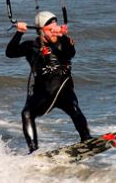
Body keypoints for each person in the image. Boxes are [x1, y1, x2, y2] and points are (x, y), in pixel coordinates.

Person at [5, 10, 92, 153]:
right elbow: (10, 53)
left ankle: (87, 139)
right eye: (50, 30)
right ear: (41, 30)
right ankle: (33, 151)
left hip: (63, 89)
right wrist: (19, 33)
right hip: (43, 92)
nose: (54, 32)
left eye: (55, 28)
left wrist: (61, 35)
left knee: (74, 109)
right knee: (26, 114)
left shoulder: (63, 42)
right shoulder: (31, 46)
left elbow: (70, 53)